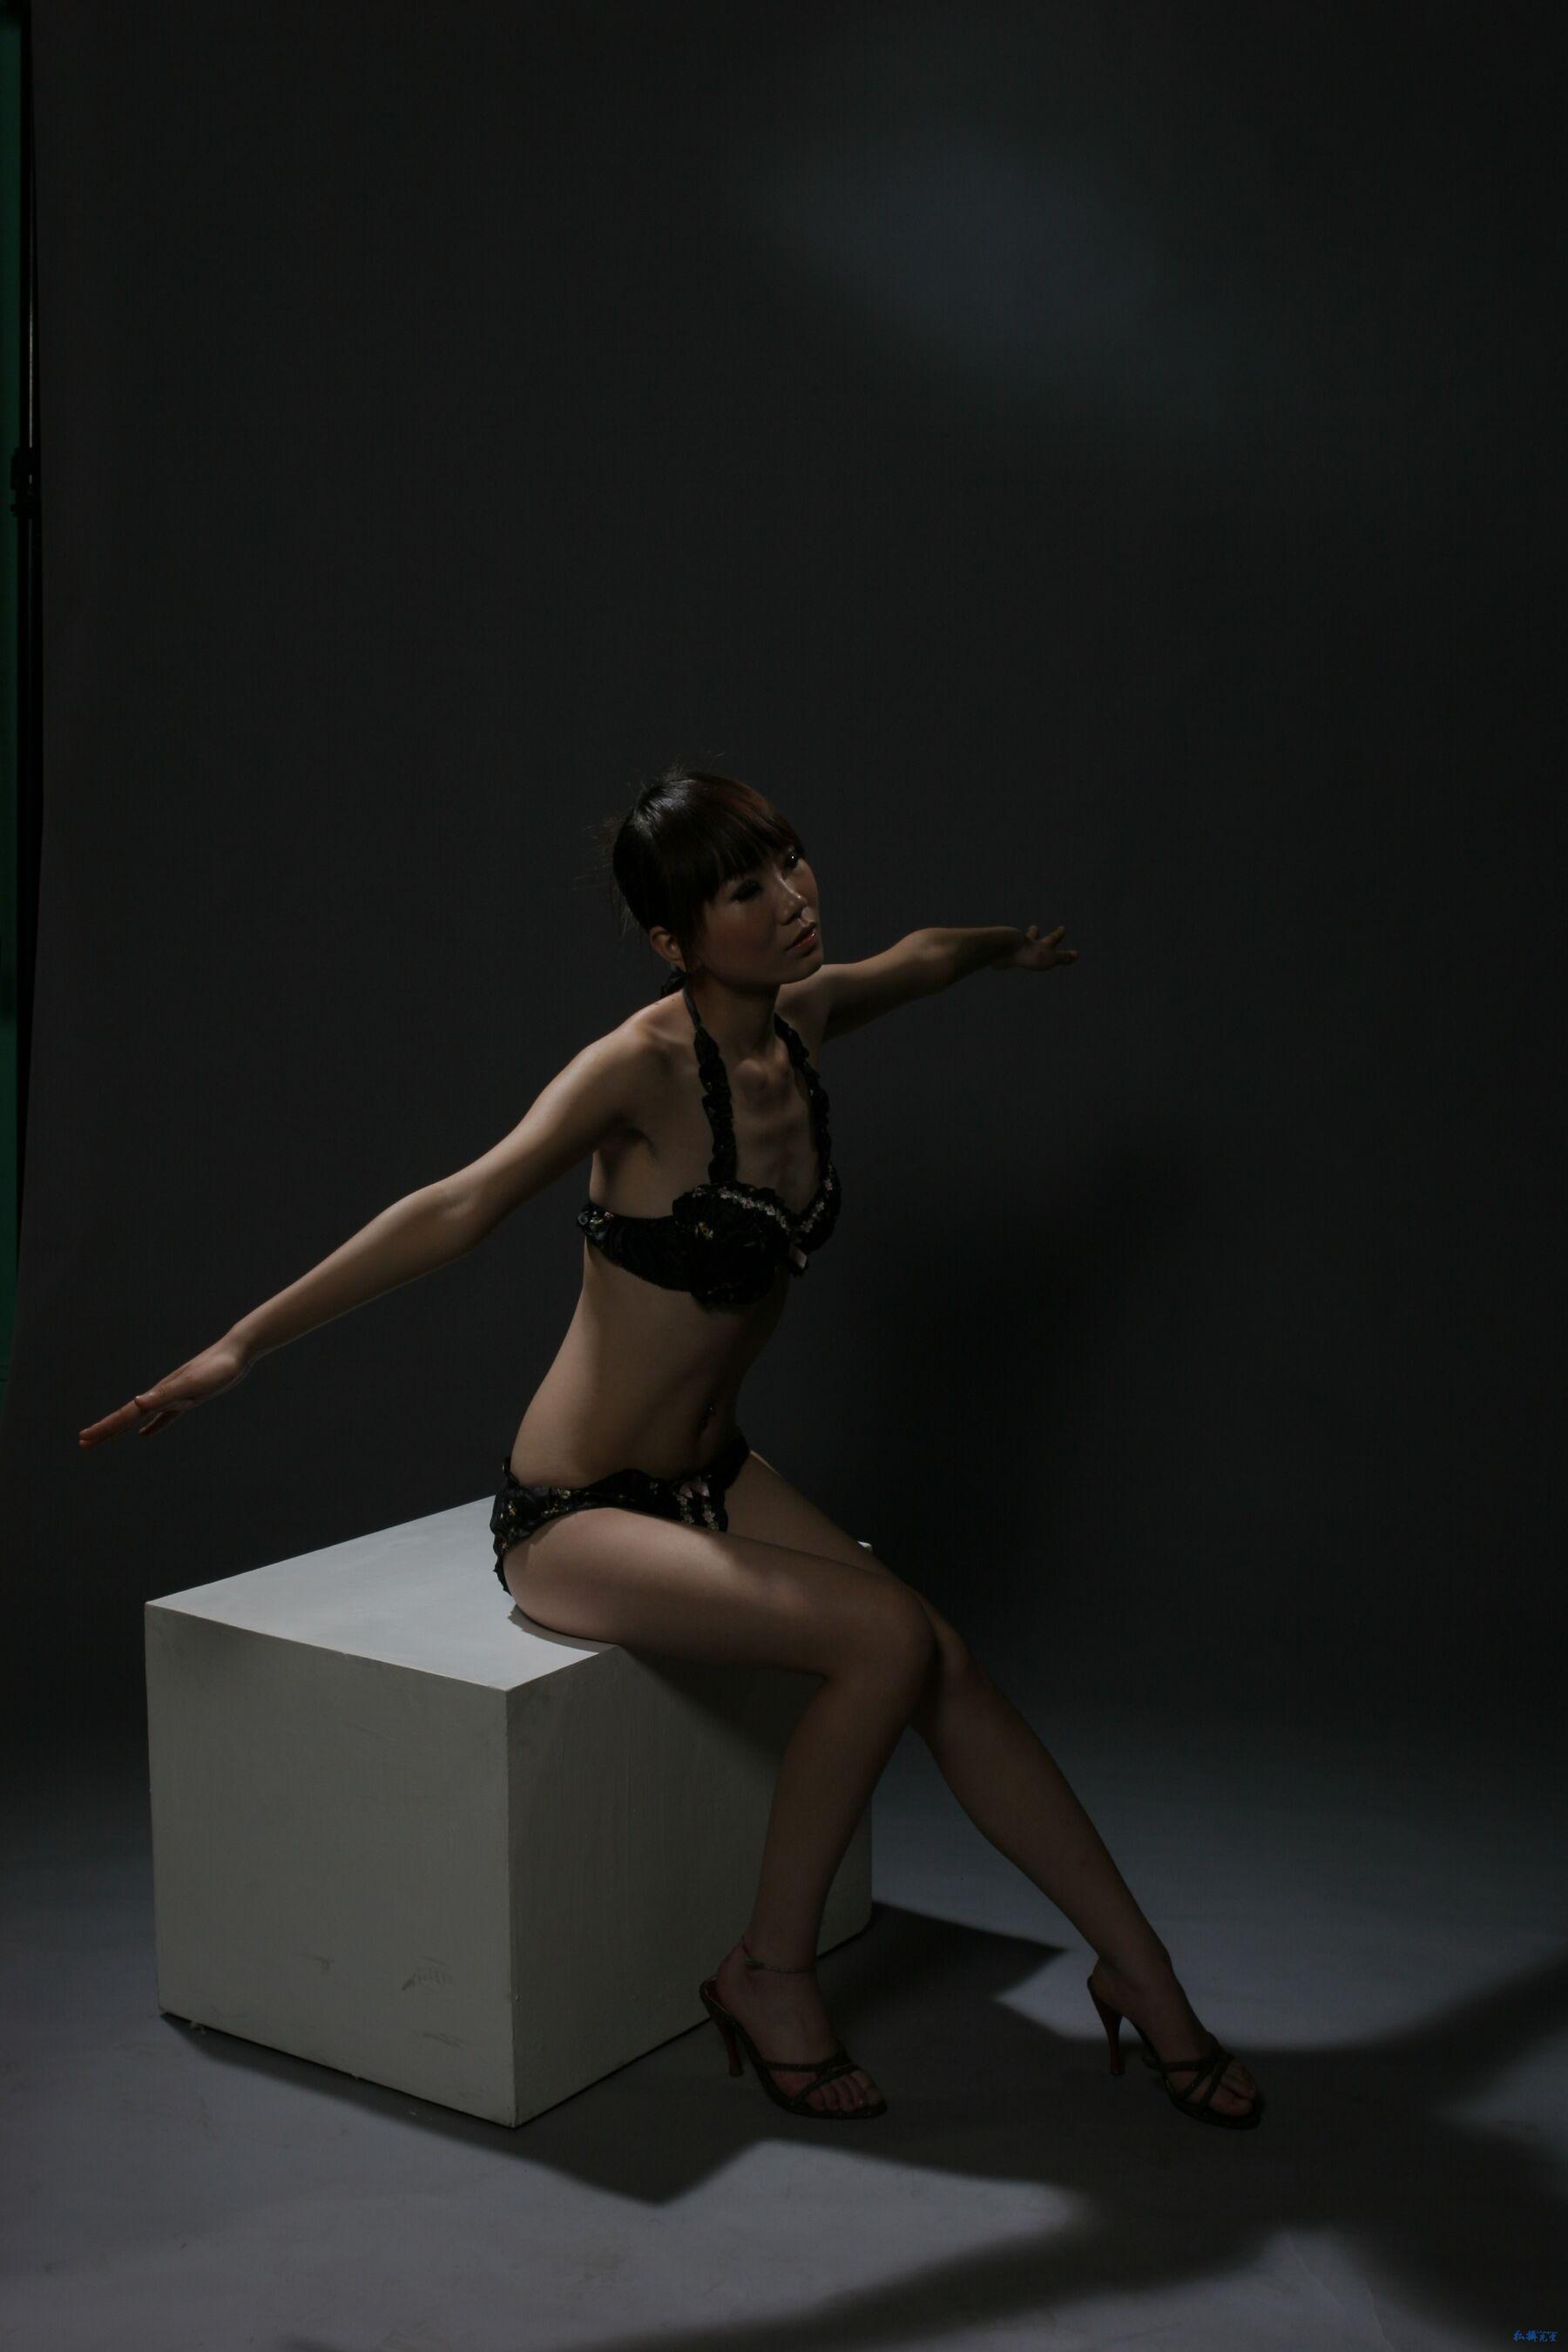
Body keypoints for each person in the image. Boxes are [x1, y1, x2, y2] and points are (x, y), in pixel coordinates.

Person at [79, 763, 1262, 2131]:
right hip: (578, 1513)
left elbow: (921, 958)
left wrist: (1003, 949)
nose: (793, 900)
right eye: (744, 890)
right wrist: (240, 1346)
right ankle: (768, 1972)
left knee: (942, 1656)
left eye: (791, 861)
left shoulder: (806, 1019)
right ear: (671, 938)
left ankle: (1140, 1972)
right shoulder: (636, 1069)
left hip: (716, 1477)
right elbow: (458, 1204)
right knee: (884, 1641)